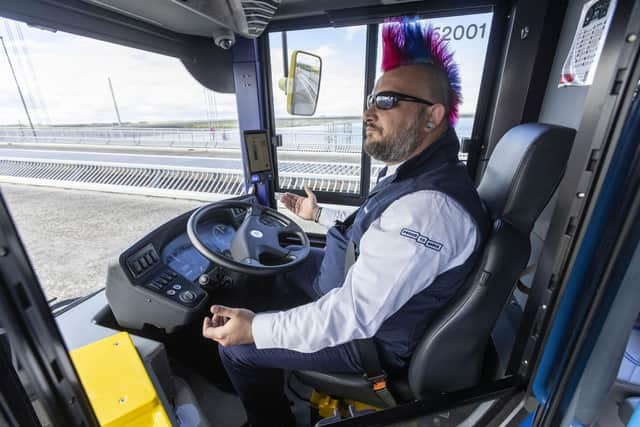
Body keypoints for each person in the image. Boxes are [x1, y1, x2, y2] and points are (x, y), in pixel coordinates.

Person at [202, 17, 490, 426]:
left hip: (370, 342)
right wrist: (317, 216)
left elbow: (352, 316)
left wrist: (255, 331)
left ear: (432, 117)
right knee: (277, 264)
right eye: (371, 100)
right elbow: (379, 233)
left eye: (387, 101)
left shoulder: (430, 208)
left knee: (236, 350)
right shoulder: (412, 174)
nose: (369, 112)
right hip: (354, 289)